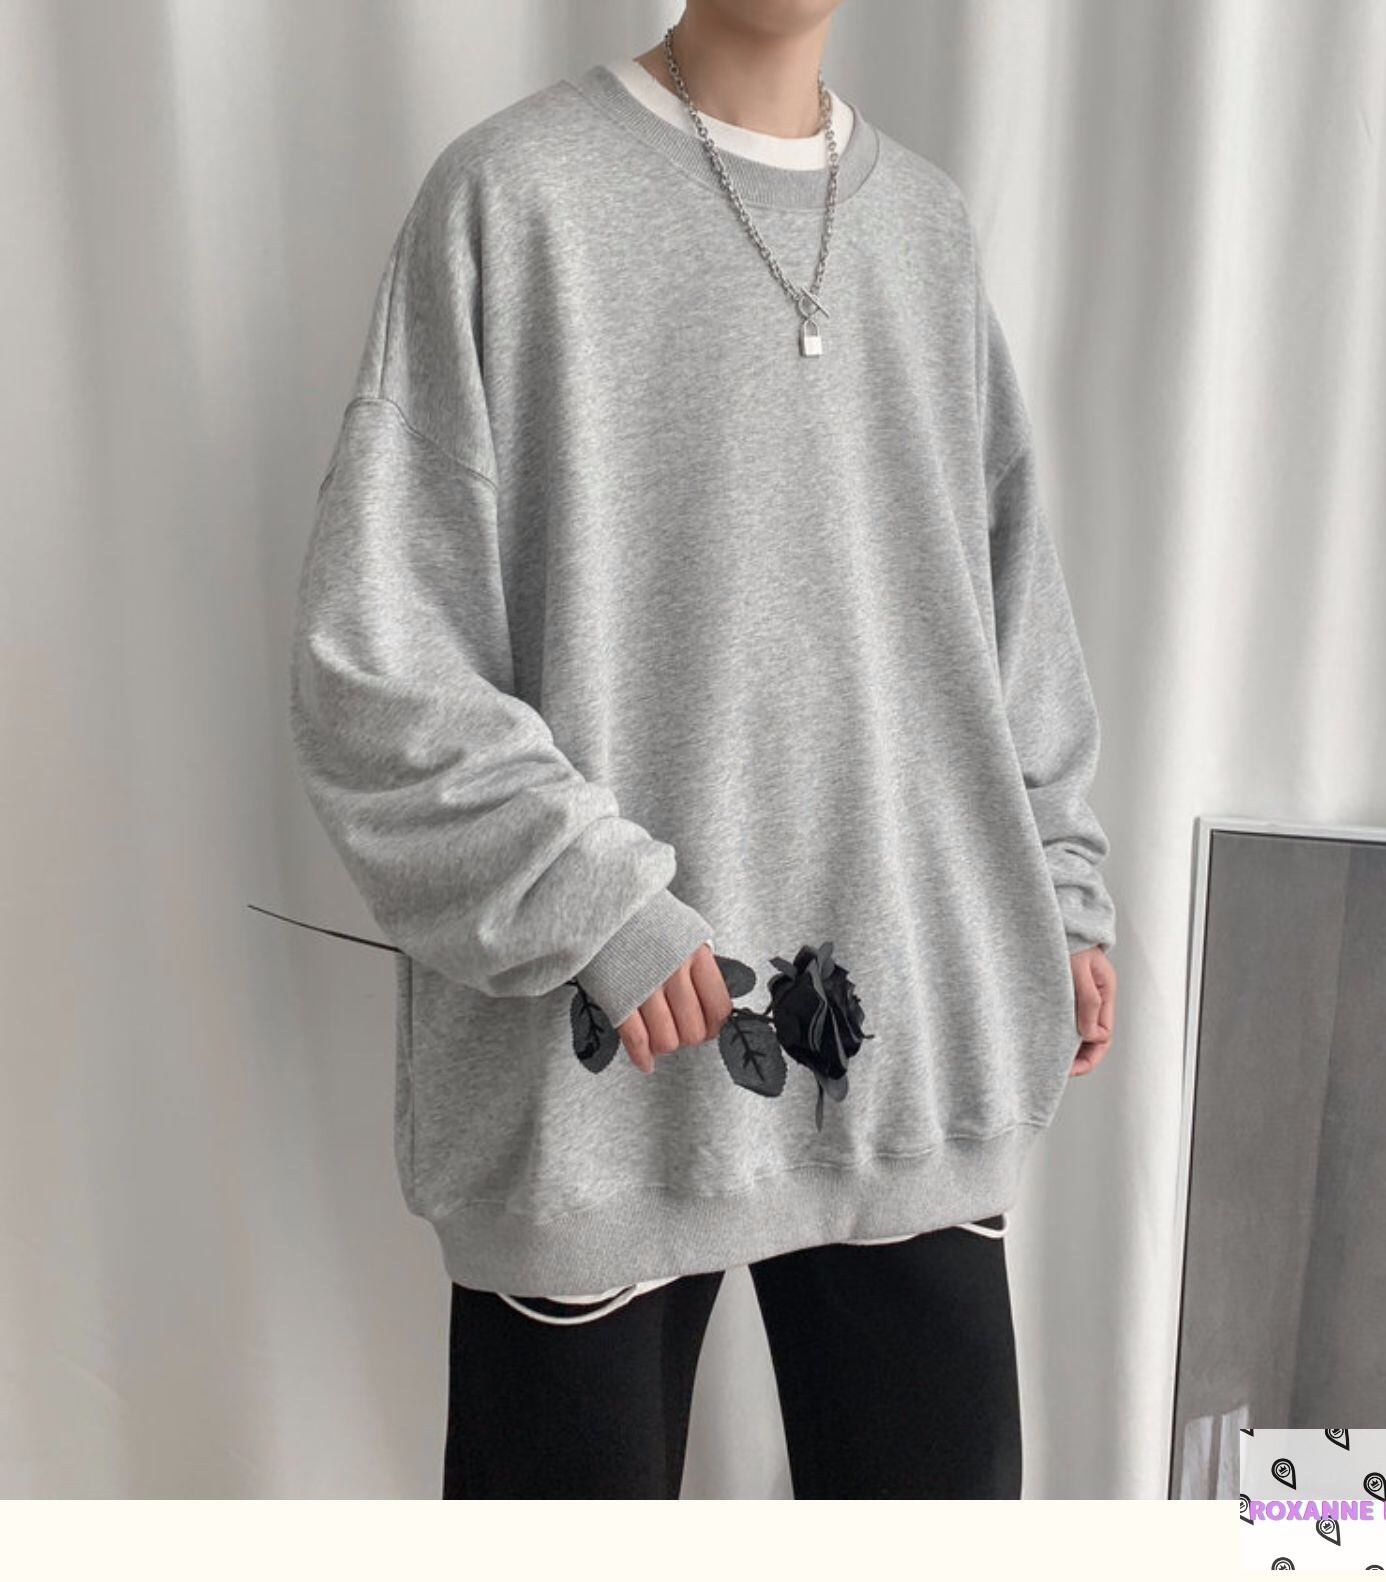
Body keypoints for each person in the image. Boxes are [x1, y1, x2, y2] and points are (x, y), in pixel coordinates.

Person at [288, 0, 1117, 1500]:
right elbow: (376, 667)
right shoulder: (513, 198)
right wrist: (594, 898)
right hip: (591, 1081)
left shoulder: (925, 230)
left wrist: (1056, 879)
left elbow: (1003, 615)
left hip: (910, 1049)